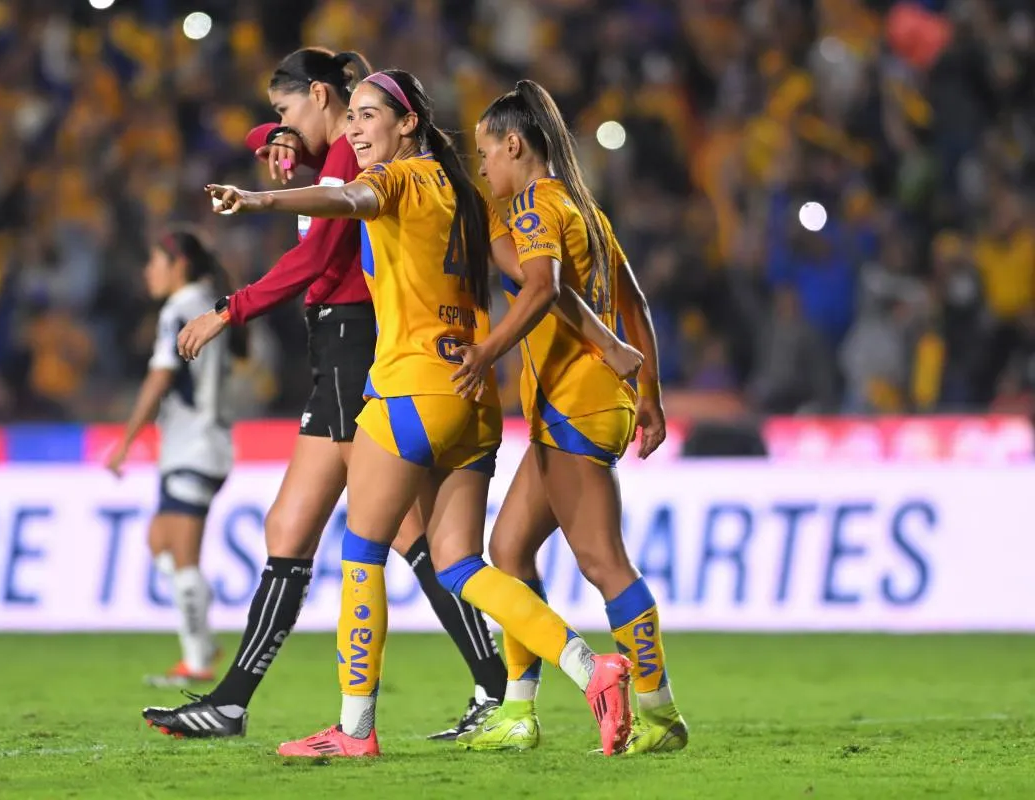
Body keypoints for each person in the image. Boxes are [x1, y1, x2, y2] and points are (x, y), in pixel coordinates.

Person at [204, 68, 637, 758]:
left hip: (411, 388)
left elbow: (346, 198)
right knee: (461, 563)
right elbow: (536, 285)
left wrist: (257, 200)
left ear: (408, 125)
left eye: (369, 116)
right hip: (473, 400)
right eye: (351, 119)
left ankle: (353, 731)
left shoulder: (400, 179)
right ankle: (594, 668)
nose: (354, 129)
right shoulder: (471, 193)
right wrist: (606, 341)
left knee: (361, 550)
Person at [144, 48, 509, 742]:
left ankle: (245, 703)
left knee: (310, 530)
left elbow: (318, 254)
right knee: (408, 536)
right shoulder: (353, 151)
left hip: (351, 348)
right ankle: (495, 685)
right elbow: (293, 153)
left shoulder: (355, 162)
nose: (278, 130)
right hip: (349, 348)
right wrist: (280, 135)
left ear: (325, 96)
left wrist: (231, 308)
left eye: (285, 111)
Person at [452, 80, 689, 755]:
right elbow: (633, 299)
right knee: (509, 552)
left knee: (603, 562)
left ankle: (660, 713)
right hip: (591, 401)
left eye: (486, 153)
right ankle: (519, 713)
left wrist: (489, 350)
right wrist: (650, 389)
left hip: (574, 403)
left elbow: (542, 288)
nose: (483, 167)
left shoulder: (536, 208)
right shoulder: (582, 208)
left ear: (515, 145)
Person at [108, 228, 245, 687]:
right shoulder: (212, 302)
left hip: (194, 445)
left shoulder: (180, 308)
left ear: (178, 265)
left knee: (180, 557)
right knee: (160, 545)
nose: (148, 271)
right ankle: (202, 639)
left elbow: (160, 377)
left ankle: (198, 659)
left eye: (154, 262)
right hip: (199, 444)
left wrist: (127, 440)